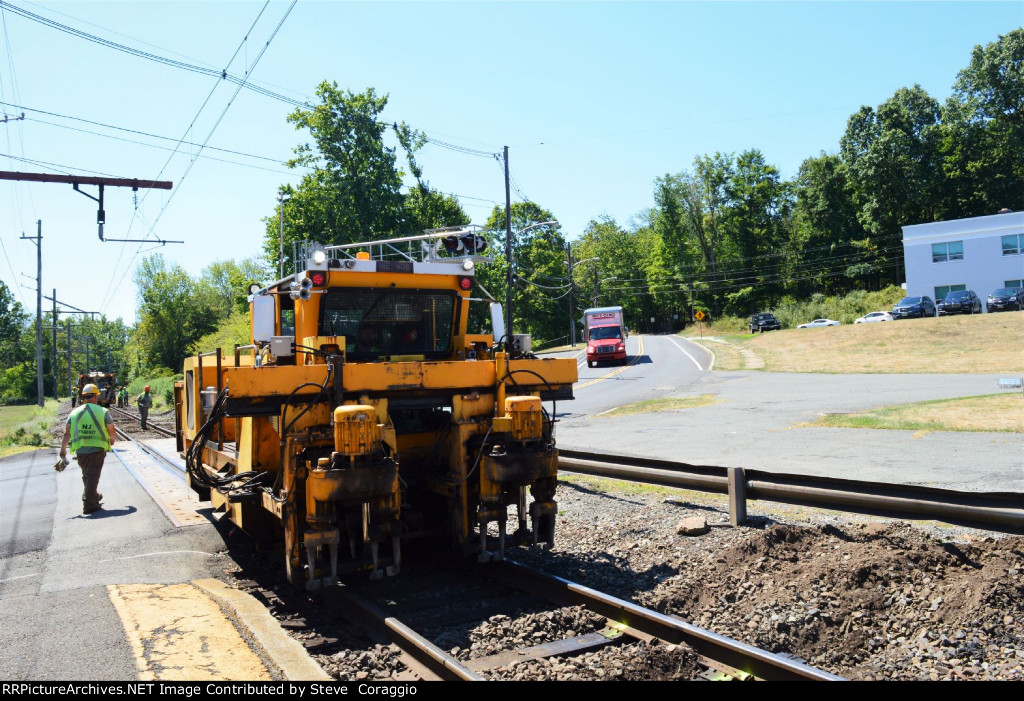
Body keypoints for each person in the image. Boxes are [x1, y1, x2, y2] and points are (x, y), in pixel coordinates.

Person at [59, 383, 116, 515]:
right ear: (96, 396)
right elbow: (111, 428)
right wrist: (112, 439)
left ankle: (94, 496)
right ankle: (89, 504)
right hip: (97, 450)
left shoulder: (74, 413)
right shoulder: (102, 412)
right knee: (92, 476)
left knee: (87, 475)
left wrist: (63, 449)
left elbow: (66, 433)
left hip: (80, 451)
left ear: (83, 397)